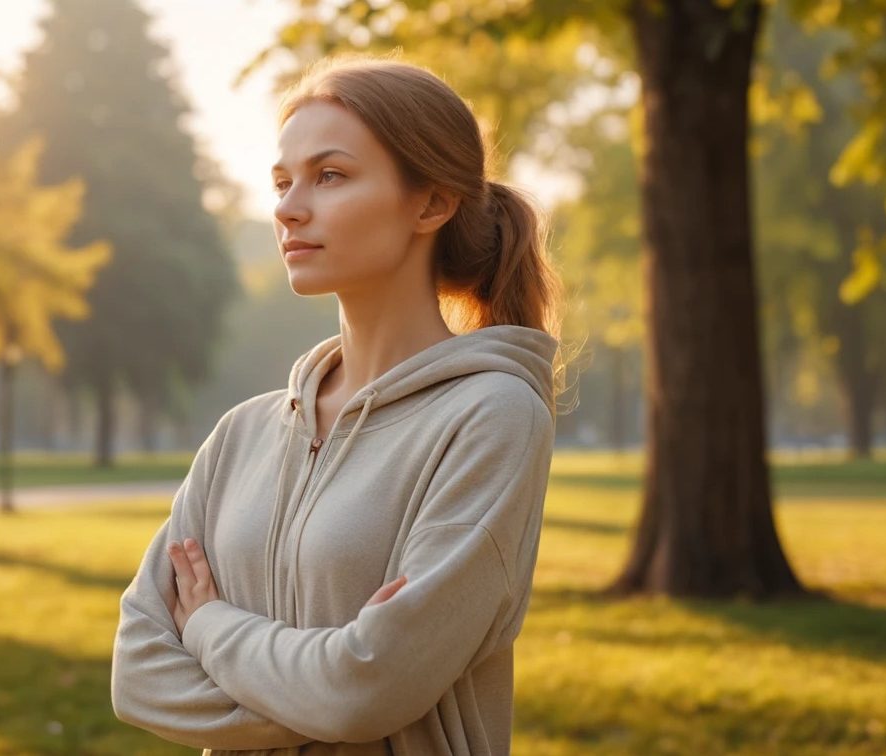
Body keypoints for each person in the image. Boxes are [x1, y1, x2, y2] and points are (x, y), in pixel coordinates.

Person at [111, 51, 569, 755]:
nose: (290, 208)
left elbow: (362, 690)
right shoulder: (243, 435)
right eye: (281, 182)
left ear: (432, 203)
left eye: (330, 176)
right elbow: (138, 671)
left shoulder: (492, 416)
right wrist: (328, 685)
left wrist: (206, 629)